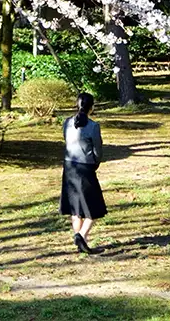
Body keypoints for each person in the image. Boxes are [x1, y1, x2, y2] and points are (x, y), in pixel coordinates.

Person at [60, 92, 106, 254]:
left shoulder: (66, 123)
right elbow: (97, 150)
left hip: (69, 167)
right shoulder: (93, 126)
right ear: (91, 107)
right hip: (85, 167)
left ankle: (82, 242)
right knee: (92, 207)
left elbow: (66, 140)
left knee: (75, 208)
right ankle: (81, 235)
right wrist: (96, 163)